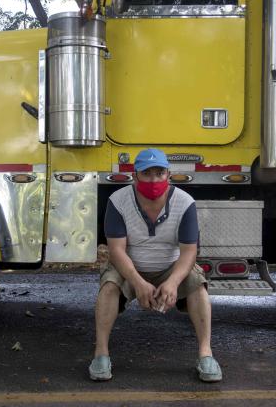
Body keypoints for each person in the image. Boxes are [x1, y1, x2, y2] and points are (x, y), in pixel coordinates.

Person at [89, 148, 222, 382]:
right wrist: (137, 282)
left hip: (171, 266)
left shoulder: (185, 202)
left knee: (198, 285)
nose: (154, 180)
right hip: (131, 266)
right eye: (147, 173)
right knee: (109, 286)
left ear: (168, 175)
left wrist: (173, 282)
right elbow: (117, 251)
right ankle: (101, 353)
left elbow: (189, 252)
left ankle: (206, 354)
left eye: (159, 173)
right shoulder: (117, 201)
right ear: (134, 175)